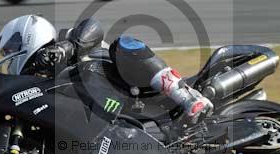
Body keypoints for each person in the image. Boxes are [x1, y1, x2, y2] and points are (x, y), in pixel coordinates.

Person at [32, 18, 214, 126]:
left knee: (122, 45)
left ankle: (188, 97)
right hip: (123, 117)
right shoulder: (45, 89)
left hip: (136, 86)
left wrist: (68, 47)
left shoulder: (66, 39)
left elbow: (93, 26)